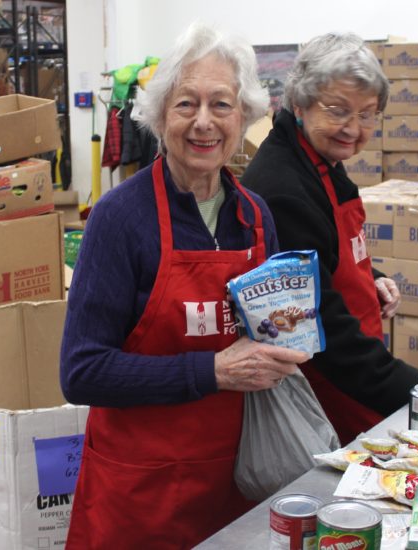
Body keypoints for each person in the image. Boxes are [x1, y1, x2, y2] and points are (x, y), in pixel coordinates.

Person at [59, 23, 309, 548]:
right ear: (158, 116)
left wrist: (295, 342)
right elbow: (81, 372)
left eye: (221, 105)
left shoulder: (256, 217)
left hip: (237, 486)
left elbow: (272, 338)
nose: (203, 122)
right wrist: (212, 371)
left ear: (243, 117)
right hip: (139, 495)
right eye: (185, 104)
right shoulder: (118, 219)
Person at [241, 33, 418, 445]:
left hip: (358, 368)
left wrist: (370, 277)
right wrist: (415, 383)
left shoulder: (320, 159)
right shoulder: (283, 185)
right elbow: (317, 324)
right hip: (333, 387)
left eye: (368, 114)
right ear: (299, 103)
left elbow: (324, 254)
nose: (354, 129)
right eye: (338, 111)